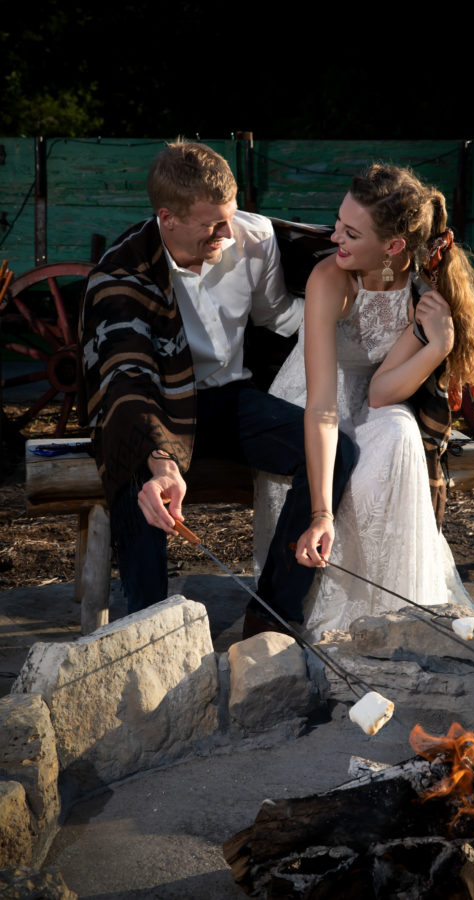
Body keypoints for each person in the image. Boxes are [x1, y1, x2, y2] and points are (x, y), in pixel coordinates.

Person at [79, 140, 356, 635]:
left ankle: (270, 614)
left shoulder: (254, 237)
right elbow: (126, 376)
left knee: (338, 452)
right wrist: (159, 460)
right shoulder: (122, 270)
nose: (228, 233)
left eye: (229, 217)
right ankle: (149, 630)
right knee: (137, 474)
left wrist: (354, 324)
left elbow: (279, 317)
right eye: (212, 224)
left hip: (230, 402)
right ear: (168, 217)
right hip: (158, 408)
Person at [254, 163, 474, 639]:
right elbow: (321, 409)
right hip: (312, 402)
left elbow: (382, 391)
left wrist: (437, 345)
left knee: (400, 433)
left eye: (350, 232)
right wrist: (320, 513)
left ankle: (401, 608)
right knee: (342, 458)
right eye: (339, 222)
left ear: (393, 247)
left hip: (374, 403)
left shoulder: (419, 288)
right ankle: (335, 610)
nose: (335, 236)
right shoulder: (331, 278)